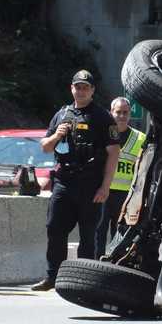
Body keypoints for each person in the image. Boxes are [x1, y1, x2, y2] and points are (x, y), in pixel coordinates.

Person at [31, 70, 120, 291]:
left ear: (92, 90)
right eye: (77, 87)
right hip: (64, 181)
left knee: (88, 234)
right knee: (55, 228)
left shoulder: (102, 117)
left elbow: (113, 152)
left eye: (85, 87)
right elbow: (45, 147)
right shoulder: (62, 114)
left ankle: (83, 280)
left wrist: (105, 186)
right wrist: (57, 135)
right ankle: (53, 276)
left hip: (90, 183)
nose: (81, 91)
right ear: (72, 88)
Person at [94, 97, 146, 257]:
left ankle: (115, 264)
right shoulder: (101, 134)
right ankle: (96, 264)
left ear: (130, 114)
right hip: (103, 192)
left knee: (120, 233)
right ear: (111, 113)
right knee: (99, 231)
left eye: (125, 112)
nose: (122, 116)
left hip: (126, 196)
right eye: (118, 112)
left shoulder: (140, 138)